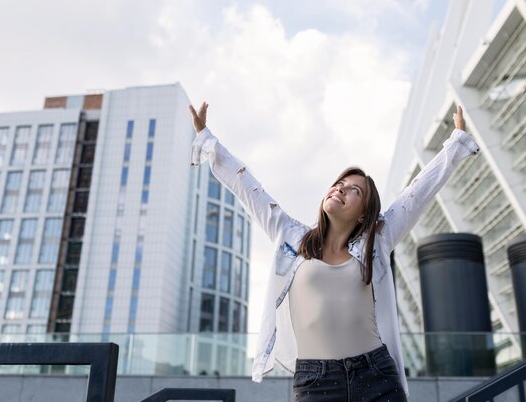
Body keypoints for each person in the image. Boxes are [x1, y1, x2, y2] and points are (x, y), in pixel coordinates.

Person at [189, 102, 479, 402]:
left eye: (355, 190)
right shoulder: (290, 237)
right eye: (339, 184)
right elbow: (247, 187)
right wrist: (208, 140)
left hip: (376, 375)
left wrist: (455, 143)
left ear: (365, 215)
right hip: (316, 381)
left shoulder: (376, 241)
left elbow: (417, 193)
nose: (340, 189)